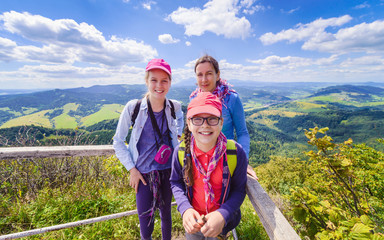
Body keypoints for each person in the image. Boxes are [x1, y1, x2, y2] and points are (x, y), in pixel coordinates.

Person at [113, 58, 184, 240]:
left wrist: (178, 138)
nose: (159, 85)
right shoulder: (134, 108)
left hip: (168, 172)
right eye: (154, 80)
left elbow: (180, 128)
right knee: (145, 222)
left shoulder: (174, 107)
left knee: (166, 216)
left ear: (170, 82)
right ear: (146, 81)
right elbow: (118, 141)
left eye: (164, 80)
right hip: (143, 175)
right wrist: (132, 169)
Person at [170, 92, 248, 239]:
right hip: (193, 221)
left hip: (220, 223)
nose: (205, 125)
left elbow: (239, 189)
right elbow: (176, 182)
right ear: (189, 123)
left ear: (221, 122)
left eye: (212, 119)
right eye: (198, 119)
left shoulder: (235, 153)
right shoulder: (181, 153)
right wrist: (185, 209)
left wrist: (223, 214)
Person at [190, 55, 257, 179]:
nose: (204, 79)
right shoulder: (194, 98)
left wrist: (244, 161)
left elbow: (242, 132)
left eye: (209, 73)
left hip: (226, 160)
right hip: (200, 162)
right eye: (200, 75)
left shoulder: (231, 99)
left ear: (218, 74)